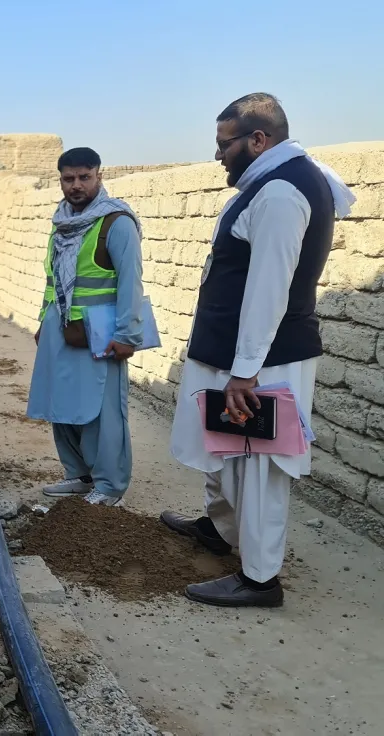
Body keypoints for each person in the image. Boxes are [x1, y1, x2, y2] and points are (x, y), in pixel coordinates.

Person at [163, 93, 355, 607]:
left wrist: (246, 371)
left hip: (263, 363)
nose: (219, 156)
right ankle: (221, 531)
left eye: (225, 145)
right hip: (239, 357)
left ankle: (260, 579)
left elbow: (270, 288)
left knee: (262, 464)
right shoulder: (272, 183)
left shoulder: (279, 194)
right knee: (227, 452)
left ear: (258, 140)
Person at [27, 147, 144, 508]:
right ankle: (78, 475)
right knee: (61, 405)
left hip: (100, 334)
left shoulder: (116, 222)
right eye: (68, 179)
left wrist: (127, 335)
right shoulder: (61, 222)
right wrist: (43, 320)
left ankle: (109, 486)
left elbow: (130, 283)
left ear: (99, 176)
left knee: (102, 411)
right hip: (61, 330)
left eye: (84, 177)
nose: (76, 185)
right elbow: (54, 281)